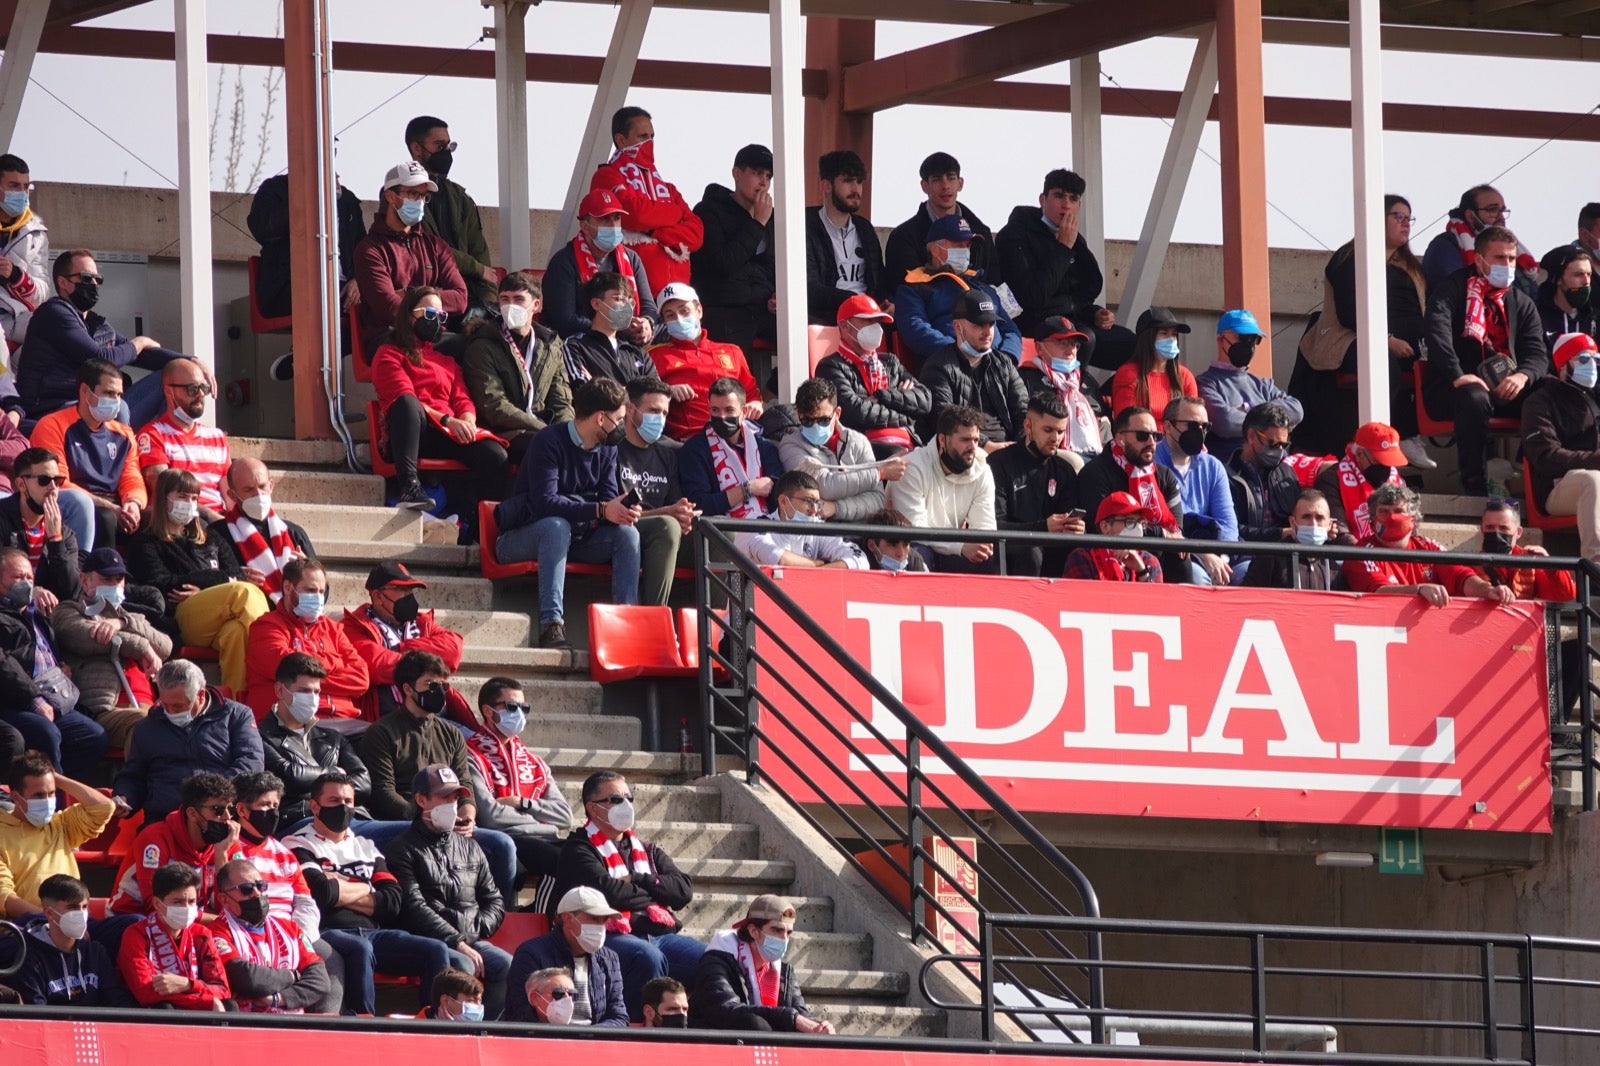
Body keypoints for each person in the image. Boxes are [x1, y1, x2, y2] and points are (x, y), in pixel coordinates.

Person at [286, 770, 453, 1017]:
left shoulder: (366, 846)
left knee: (435, 950)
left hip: (375, 933)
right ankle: (363, 1021)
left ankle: (434, 1021)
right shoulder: (297, 843)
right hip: (328, 931)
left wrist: (343, 886)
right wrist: (367, 887)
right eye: (334, 801)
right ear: (314, 806)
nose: (343, 807)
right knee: (359, 948)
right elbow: (322, 893)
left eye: (348, 802)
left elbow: (393, 901)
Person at [494, 378, 641, 650]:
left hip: (578, 537)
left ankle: (627, 624)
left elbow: (607, 498)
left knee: (627, 534)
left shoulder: (608, 449)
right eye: (619, 419)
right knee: (556, 525)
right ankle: (551, 625)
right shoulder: (548, 441)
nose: (623, 426)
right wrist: (600, 509)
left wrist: (620, 507)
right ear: (600, 418)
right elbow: (545, 502)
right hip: (521, 538)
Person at [551, 771, 701, 1023]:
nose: (626, 805)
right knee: (648, 958)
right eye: (615, 799)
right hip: (609, 935)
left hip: (660, 934)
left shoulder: (648, 850)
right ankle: (635, 1028)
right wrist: (657, 896)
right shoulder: (579, 849)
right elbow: (612, 894)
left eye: (628, 798)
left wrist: (639, 879)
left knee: (712, 960)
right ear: (593, 808)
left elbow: (683, 891)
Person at [1290, 197, 1431, 464]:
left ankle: (1411, 434)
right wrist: (1387, 340)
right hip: (1349, 340)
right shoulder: (1350, 259)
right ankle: (1380, 440)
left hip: (1410, 346)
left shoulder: (1412, 268)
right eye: (1397, 216)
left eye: (1408, 218)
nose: (1405, 224)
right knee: (1381, 361)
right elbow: (1350, 312)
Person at [1422, 225, 1548, 495]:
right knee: (1474, 398)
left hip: (1506, 388)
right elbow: (1437, 333)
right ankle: (1475, 486)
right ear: (1479, 259)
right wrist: (1458, 374)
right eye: (1499, 258)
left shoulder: (1521, 302)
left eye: (1511, 259)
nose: (1508, 265)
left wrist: (1522, 376)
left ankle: (1538, 480)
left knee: (1549, 391)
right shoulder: (1452, 289)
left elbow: (1537, 354)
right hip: (1455, 388)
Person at [381, 763, 511, 1020]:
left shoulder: (470, 847)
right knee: (461, 968)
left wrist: (474, 928)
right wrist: (456, 940)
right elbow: (414, 906)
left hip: (471, 938)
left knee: (509, 966)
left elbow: (494, 899)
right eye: (444, 797)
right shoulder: (402, 848)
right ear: (421, 800)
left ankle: (486, 1030)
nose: (452, 804)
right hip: (432, 941)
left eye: (455, 798)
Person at [124, 469, 269, 694]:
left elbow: (236, 573)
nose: (189, 504)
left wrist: (202, 587)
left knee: (235, 633)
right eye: (182, 497)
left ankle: (238, 703)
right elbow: (164, 585)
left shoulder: (211, 537)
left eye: (194, 498)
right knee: (244, 592)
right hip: (181, 617)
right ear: (164, 498)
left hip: (220, 616)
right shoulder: (145, 542)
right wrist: (220, 582)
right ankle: (269, 657)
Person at [372, 285, 508, 515]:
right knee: (407, 403)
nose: (435, 321)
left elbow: (462, 398)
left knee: (495, 455)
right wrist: (448, 421)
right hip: (412, 433)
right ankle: (409, 487)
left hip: (446, 433)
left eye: (440, 316)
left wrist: (466, 421)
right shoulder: (388, 353)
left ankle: (485, 523)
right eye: (428, 314)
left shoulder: (446, 361)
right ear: (409, 316)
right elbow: (403, 396)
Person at [16, 249, 185, 428]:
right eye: (87, 278)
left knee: (172, 378)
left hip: (100, 405)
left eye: (98, 279)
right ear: (63, 282)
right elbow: (100, 359)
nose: (94, 283)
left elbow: (140, 355)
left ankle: (161, 446)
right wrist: (140, 341)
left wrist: (189, 362)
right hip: (58, 408)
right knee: (119, 408)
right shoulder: (53, 314)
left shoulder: (97, 324)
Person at [995, 168, 1134, 371]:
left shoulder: (1074, 238)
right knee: (1085, 339)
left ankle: (1102, 392)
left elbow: (1081, 292)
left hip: (1070, 319)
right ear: (1043, 199)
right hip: (1029, 321)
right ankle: (1069, 390)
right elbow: (1032, 297)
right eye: (1059, 196)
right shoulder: (1015, 234)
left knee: (1132, 344)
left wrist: (1093, 313)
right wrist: (1062, 249)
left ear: (1079, 205)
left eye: (1073, 198)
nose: (1066, 204)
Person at [449, 676, 573, 895]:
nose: (520, 714)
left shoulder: (535, 762)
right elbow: (491, 816)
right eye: (512, 707)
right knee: (569, 865)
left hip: (546, 838)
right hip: (510, 839)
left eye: (524, 708)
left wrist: (522, 803)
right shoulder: (471, 755)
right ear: (488, 711)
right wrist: (542, 818)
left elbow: (565, 816)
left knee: (590, 859)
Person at [109, 661, 263, 826]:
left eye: (177, 706)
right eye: (165, 705)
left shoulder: (236, 716)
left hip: (222, 818)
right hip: (165, 821)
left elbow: (251, 763)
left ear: (200, 696)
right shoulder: (148, 727)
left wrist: (209, 797)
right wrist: (125, 797)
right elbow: (133, 775)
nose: (170, 712)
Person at [0, 549, 108, 779]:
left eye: (29, 578)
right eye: (17, 578)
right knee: (46, 734)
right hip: (14, 702)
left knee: (93, 736)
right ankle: (50, 801)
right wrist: (33, 699)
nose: (26, 583)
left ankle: (68, 790)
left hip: (53, 697)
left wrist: (61, 667)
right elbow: (4, 666)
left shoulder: (37, 615)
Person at [51, 546, 171, 750]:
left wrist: (122, 623)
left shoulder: (133, 618)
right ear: (84, 579)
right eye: (106, 579)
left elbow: (165, 645)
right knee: (147, 724)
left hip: (146, 704)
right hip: (105, 709)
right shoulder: (70, 611)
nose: (115, 585)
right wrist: (142, 646)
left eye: (119, 580)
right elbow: (89, 637)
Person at [1472, 498, 1582, 715]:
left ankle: (1557, 729)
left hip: (1526, 647)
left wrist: (1550, 565)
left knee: (1580, 651)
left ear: (1518, 532)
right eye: (1490, 528)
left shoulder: (1530, 560)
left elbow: (1565, 594)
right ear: (1481, 530)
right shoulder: (1468, 564)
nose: (1496, 533)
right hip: (1483, 647)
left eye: (1504, 528)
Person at [28, 357, 145, 548]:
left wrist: (133, 503)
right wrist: (110, 507)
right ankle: (97, 576)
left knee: (157, 519)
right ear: (85, 392)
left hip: (115, 503)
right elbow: (57, 482)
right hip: (74, 503)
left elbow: (132, 476)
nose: (116, 401)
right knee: (105, 517)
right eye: (109, 393)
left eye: (119, 395)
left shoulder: (124, 433)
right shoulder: (52, 425)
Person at [461, 271, 574, 464]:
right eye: (505, 299)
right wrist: (545, 431)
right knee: (546, 445)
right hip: (505, 432)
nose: (510, 306)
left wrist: (564, 430)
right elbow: (494, 405)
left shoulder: (551, 345)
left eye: (519, 299)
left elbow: (561, 399)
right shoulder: (482, 344)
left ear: (536, 305)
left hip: (543, 429)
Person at [590, 105, 704, 296]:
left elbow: (696, 234)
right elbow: (635, 214)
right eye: (643, 137)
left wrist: (654, 231)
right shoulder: (607, 176)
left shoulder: (668, 188)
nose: (649, 142)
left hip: (674, 299)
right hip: (631, 295)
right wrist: (674, 214)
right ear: (621, 139)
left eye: (652, 137)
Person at [242, 558, 370, 727]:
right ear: (288, 588)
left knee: (382, 741)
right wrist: (336, 660)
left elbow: (361, 679)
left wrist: (306, 677)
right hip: (290, 726)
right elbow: (287, 668)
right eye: (310, 590)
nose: (318, 597)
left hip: (345, 721)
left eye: (321, 591)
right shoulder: (266, 626)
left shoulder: (333, 629)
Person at [352, 161, 468, 346]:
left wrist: (409, 294)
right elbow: (388, 307)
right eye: (413, 194)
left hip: (435, 335)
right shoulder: (370, 249)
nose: (420, 202)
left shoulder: (437, 246)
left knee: (472, 348)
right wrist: (434, 298)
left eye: (424, 196)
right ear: (390, 196)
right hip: (389, 336)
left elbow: (460, 298)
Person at [1340, 482, 1508, 606]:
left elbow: (1460, 576)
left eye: (1399, 511)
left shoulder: (1428, 547)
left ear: (1414, 519)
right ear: (1371, 520)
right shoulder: (1361, 552)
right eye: (1383, 511)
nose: (1391, 517)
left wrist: (1488, 590)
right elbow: (1376, 591)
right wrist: (1418, 590)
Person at [340, 561, 464, 722]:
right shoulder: (353, 625)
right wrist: (428, 662)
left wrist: (400, 649)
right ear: (378, 596)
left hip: (437, 716)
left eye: (410, 590)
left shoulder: (422, 622)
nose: (409, 596)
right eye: (401, 590)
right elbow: (375, 665)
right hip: (389, 720)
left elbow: (453, 651)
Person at [690, 894, 834, 1034]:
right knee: (755, 1024)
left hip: (768, 1051)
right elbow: (725, 1009)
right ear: (753, 931)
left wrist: (819, 1027)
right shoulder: (716, 962)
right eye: (777, 930)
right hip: (718, 1048)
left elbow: (801, 1015)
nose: (784, 939)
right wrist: (790, 1018)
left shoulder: (784, 972)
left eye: (788, 933)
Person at [207, 856, 334, 1014]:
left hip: (293, 1024)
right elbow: (247, 978)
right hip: (247, 1026)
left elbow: (320, 980)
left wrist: (279, 998)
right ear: (224, 899)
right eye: (246, 889)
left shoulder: (291, 928)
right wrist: (294, 975)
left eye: (261, 886)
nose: (256, 893)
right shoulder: (215, 932)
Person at [258, 653, 372, 827]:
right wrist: (335, 773)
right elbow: (289, 777)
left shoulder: (333, 738)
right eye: (304, 691)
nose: (312, 698)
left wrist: (318, 787)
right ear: (280, 690)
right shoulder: (260, 736)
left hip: (353, 819)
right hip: (301, 820)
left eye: (316, 692)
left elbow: (364, 784)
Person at [109, 770, 242, 916]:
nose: (227, 817)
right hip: (131, 918)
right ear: (192, 813)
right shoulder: (155, 838)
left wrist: (221, 856)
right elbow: (155, 907)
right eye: (218, 810)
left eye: (230, 809)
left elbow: (229, 908)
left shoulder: (228, 842)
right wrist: (216, 921)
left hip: (188, 924)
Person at [897, 214, 1022, 369]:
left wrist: (1006, 358)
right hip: (949, 370)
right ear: (936, 250)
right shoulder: (914, 289)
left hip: (998, 371)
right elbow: (916, 329)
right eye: (958, 245)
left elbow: (1011, 330)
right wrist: (963, 354)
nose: (965, 251)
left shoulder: (985, 288)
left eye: (967, 245)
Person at [403, 115, 499, 312]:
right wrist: (477, 269)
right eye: (439, 146)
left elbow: (480, 255)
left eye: (449, 146)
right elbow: (429, 246)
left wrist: (489, 304)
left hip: (468, 297)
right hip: (428, 297)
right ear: (417, 149)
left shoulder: (461, 198)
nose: (446, 153)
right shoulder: (400, 193)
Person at [0, 751, 114, 917]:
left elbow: (104, 807)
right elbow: (6, 899)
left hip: (76, 918)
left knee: (130, 922)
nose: (47, 801)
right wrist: (53, 920)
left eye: (51, 793)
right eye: (39, 795)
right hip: (29, 926)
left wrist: (54, 777)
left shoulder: (60, 824)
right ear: (15, 797)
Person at [813, 294, 929, 458]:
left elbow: (924, 401)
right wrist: (906, 413)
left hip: (908, 441)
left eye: (878, 322)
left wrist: (883, 396)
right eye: (868, 321)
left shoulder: (890, 362)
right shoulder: (830, 367)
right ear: (845, 326)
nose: (876, 327)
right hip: (864, 448)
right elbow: (854, 413)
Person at [616, 376, 698, 606]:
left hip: (663, 534)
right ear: (630, 410)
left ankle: (721, 630)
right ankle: (654, 617)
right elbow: (613, 513)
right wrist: (670, 514)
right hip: (623, 531)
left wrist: (684, 514)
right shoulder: (611, 450)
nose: (660, 419)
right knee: (667, 525)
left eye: (664, 413)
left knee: (719, 535)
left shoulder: (666, 455)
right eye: (653, 410)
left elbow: (675, 505)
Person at [888, 404, 997, 573]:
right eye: (965, 440)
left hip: (952, 547)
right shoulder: (912, 467)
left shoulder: (982, 471)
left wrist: (978, 547)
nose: (972, 447)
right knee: (917, 553)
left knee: (989, 558)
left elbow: (985, 528)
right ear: (942, 440)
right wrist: (960, 546)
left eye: (975, 440)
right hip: (916, 547)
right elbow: (914, 530)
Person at [543, 188, 661, 344]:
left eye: (617, 218)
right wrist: (616, 327)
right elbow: (564, 320)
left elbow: (649, 307)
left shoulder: (632, 259)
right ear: (585, 226)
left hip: (630, 347)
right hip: (582, 346)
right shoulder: (564, 262)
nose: (613, 225)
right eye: (605, 219)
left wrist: (646, 323)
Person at [988, 390, 1086, 577]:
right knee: (1030, 552)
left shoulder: (1065, 470)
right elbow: (994, 526)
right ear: (1028, 426)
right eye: (1048, 430)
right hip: (1010, 551)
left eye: (1060, 432)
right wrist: (1043, 529)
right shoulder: (999, 463)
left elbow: (1068, 520)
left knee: (1081, 552)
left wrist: (1076, 528)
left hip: (1053, 550)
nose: (1055, 439)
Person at [691, 144, 776, 356]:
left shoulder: (770, 216)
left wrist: (777, 293)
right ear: (736, 173)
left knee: (805, 336)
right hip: (724, 307)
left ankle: (772, 391)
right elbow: (722, 262)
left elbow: (773, 265)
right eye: (757, 173)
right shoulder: (709, 211)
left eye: (768, 176)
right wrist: (757, 224)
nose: (763, 182)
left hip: (762, 307)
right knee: (733, 367)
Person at [1522, 333, 1600, 564]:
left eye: (1596, 361)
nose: (1593, 367)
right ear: (1563, 365)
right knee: (1593, 481)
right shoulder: (1539, 402)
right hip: (1556, 488)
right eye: (1584, 360)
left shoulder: (1594, 400)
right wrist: (1596, 460)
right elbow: (1546, 457)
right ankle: (1596, 570)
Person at [246, 170, 365, 322]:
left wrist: (358, 280)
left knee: (380, 300)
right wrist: (307, 195)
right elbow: (261, 230)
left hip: (340, 287)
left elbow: (362, 249)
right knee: (328, 299)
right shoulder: (274, 189)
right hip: (287, 286)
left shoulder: (347, 199)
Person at [649, 282, 762, 441]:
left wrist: (756, 404)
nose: (679, 319)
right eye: (670, 315)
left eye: (684, 311)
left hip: (736, 437)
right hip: (689, 442)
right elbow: (641, 399)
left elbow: (751, 394)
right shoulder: (654, 356)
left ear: (699, 310)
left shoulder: (732, 351)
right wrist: (666, 391)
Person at [918, 289, 1029, 449]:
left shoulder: (1003, 363)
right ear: (957, 326)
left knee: (1074, 462)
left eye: (991, 324)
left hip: (1011, 450)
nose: (987, 332)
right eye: (979, 324)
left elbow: (1023, 410)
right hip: (968, 452)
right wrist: (986, 445)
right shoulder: (938, 367)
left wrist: (1023, 444)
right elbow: (945, 421)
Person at [503, 885, 629, 1025]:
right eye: (593, 918)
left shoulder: (610, 959)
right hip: (547, 1042)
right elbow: (521, 1014)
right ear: (568, 918)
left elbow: (619, 1016)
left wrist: (590, 1037)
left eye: (604, 920)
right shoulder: (531, 954)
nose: (600, 927)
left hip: (595, 1043)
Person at [116, 861, 232, 1010]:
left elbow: (223, 990)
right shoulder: (136, 935)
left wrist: (187, 984)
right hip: (150, 1014)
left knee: (229, 1005)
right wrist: (205, 1002)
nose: (186, 908)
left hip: (192, 1004)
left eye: (191, 901)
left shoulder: (202, 934)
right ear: (157, 904)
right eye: (178, 902)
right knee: (164, 1008)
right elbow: (145, 993)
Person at [1196, 309, 1306, 460]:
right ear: (1221, 340)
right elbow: (1226, 423)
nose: (1249, 345)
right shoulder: (1205, 383)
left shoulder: (1264, 384)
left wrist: (1245, 409)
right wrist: (1272, 412)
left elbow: (1297, 410)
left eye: (1254, 339)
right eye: (1241, 338)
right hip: (1235, 467)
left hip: (1277, 463)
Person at [10, 873, 134, 1006]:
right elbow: (36, 1010)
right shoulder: (28, 958)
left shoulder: (96, 952)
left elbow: (115, 999)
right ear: (49, 913)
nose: (81, 914)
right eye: (73, 908)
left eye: (84, 907)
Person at [780, 377, 894, 522]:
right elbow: (824, 487)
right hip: (818, 535)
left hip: (860, 533)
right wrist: (879, 473)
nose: (816, 427)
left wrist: (836, 507)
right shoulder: (790, 445)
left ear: (837, 413)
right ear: (799, 416)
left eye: (823, 420)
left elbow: (877, 500)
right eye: (808, 421)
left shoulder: (858, 442)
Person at [229, 771, 323, 942]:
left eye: (275, 806)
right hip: (252, 936)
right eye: (265, 805)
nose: (272, 812)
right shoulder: (227, 848)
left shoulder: (285, 854)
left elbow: (305, 903)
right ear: (242, 810)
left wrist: (300, 938)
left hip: (295, 936)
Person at [206, 457, 315, 605]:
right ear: (232, 495)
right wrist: (236, 576)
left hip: (297, 617)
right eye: (249, 489)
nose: (258, 495)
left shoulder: (293, 533)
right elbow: (208, 583)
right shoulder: (217, 533)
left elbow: (322, 591)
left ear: (271, 486)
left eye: (262, 486)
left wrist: (308, 572)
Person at [135, 357, 231, 522]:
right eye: (192, 388)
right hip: (183, 517)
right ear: (168, 391)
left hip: (220, 520)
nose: (200, 394)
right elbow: (165, 491)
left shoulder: (217, 437)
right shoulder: (152, 434)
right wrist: (212, 516)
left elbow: (231, 496)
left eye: (204, 388)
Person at [1155, 396, 1238, 585]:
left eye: (1205, 427)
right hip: (1176, 554)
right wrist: (1204, 555)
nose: (1199, 432)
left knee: (1250, 573)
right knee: (1199, 579)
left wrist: (1221, 559)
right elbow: (1163, 524)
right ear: (1167, 427)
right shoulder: (1152, 464)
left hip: (1217, 552)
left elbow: (1228, 523)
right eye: (1192, 426)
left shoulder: (1213, 467)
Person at [678, 375, 784, 523]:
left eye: (729, 410)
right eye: (715, 410)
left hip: (769, 526)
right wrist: (747, 489)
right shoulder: (694, 450)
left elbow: (779, 493)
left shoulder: (765, 448)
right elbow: (699, 504)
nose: (721, 417)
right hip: (723, 533)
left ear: (743, 412)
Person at [884, 152, 997, 287]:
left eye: (951, 178)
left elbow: (994, 283)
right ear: (924, 186)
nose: (945, 186)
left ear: (960, 183)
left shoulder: (980, 233)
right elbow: (900, 288)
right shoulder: (904, 237)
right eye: (937, 179)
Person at [1077, 406, 1184, 546]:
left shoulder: (1164, 475)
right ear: (1120, 439)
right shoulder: (1095, 473)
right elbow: (1104, 529)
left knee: (1182, 560)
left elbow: (1176, 532)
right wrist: (1160, 534)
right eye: (1142, 435)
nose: (1151, 442)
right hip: (1114, 555)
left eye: (1156, 436)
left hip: (1162, 556)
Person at [806, 150, 889, 325]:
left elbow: (879, 281)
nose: (856, 189)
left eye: (859, 182)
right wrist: (854, 301)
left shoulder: (864, 228)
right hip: (828, 318)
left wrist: (887, 301)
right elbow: (809, 288)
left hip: (868, 315)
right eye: (848, 181)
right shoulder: (806, 225)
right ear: (826, 186)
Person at [734, 470, 868, 570]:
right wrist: (817, 563)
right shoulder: (754, 522)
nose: (814, 510)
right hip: (753, 603)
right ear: (783, 501)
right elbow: (781, 560)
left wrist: (822, 571)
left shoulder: (818, 527)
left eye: (817, 503)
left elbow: (860, 560)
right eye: (808, 501)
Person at [0, 447, 87, 597]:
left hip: (48, 615)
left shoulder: (63, 534)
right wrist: (30, 592)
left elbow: (72, 593)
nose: (53, 487)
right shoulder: (2, 518)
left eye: (58, 481)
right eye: (44, 480)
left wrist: (55, 542)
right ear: (21, 484)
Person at [1019, 316, 1105, 461]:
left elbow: (1101, 414)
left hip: (1093, 452)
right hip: (1050, 454)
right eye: (1062, 343)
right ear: (1039, 347)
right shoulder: (1025, 379)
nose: (1070, 350)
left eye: (1074, 344)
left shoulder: (1083, 380)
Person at [1422, 185, 1537, 292]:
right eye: (1492, 210)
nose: (1501, 217)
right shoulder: (1446, 246)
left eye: (1502, 211)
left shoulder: (1514, 250)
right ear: (1471, 216)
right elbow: (1450, 294)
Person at [1312, 420, 1408, 541]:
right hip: (1353, 556)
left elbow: (1409, 527)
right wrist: (1370, 557)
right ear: (1359, 454)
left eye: (1390, 461)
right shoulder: (1331, 480)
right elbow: (1338, 533)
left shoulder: (1398, 481)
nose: (1386, 467)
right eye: (1379, 461)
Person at [1241, 489, 1354, 592]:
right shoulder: (1269, 559)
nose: (1313, 524)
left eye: (1319, 518)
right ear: (1292, 522)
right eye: (1306, 517)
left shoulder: (1334, 568)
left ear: (1329, 524)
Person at [1226, 403, 1306, 545]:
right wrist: (1278, 534)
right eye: (1274, 444)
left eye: (1284, 445)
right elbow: (1230, 529)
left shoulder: (1286, 473)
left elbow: (1299, 518)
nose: (1280, 451)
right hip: (1245, 556)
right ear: (1251, 436)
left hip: (1288, 555)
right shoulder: (1227, 475)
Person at [563, 271, 657, 386]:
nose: (626, 306)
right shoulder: (575, 346)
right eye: (619, 299)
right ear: (596, 304)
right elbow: (584, 392)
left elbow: (656, 395)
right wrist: (634, 394)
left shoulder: (637, 353)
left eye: (629, 301)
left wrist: (601, 385)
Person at [1110, 308, 1198, 428]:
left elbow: (1193, 422)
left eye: (1174, 334)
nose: (1171, 340)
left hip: (1179, 445)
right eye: (1164, 333)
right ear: (1147, 338)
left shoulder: (1185, 376)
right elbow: (1127, 426)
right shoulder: (1128, 374)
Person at [0, 154, 50, 344]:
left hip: (16, 320)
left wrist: (15, 276)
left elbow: (42, 294)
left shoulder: (36, 234)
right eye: (14, 186)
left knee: (57, 325)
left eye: (26, 186)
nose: (22, 193)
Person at [1062, 492, 1164, 583]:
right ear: (1105, 527)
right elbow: (1082, 600)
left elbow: (1157, 602)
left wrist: (1141, 571)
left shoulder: (1149, 560)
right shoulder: (1083, 557)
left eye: (1140, 522)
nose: (1137, 527)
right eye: (1129, 521)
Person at [1536, 245, 1597, 355]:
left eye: (1589, 275)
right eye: (1578, 275)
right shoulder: (1535, 317)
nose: (1586, 281)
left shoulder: (1595, 318)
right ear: (1558, 279)